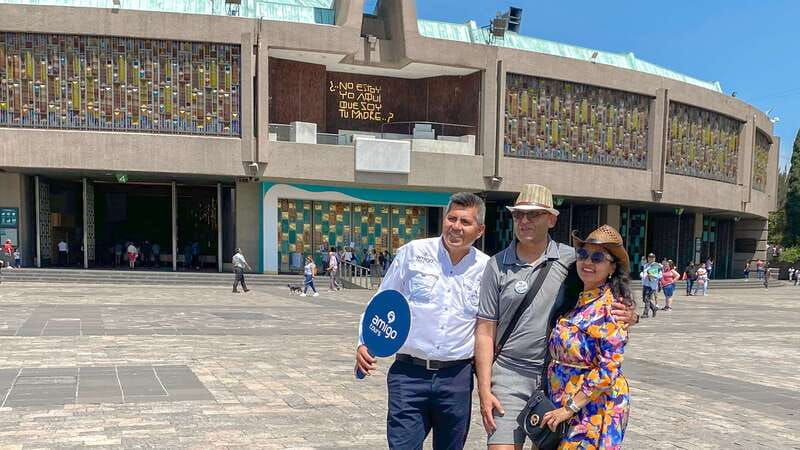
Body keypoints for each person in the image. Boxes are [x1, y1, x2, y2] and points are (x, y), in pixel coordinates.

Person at [474, 185, 637, 449]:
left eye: (534, 214)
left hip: (559, 383)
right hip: (510, 374)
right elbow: (484, 330)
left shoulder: (571, 260)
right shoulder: (497, 265)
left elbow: (605, 297)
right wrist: (483, 389)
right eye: (518, 215)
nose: (524, 221)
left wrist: (630, 315)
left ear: (551, 219)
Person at [355, 192, 489, 450]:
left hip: (456, 378)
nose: (456, 227)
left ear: (480, 230)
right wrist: (364, 342)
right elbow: (382, 301)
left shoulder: (486, 268)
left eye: (465, 222)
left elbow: (486, 327)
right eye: (452, 218)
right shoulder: (413, 253)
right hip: (409, 375)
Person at [540, 225, 633, 448]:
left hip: (592, 407)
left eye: (598, 257)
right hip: (563, 400)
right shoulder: (577, 299)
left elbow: (608, 370)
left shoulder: (612, 308)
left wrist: (569, 408)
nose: (588, 262)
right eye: (583, 255)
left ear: (612, 267)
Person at [639, 253, 661, 317]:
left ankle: (645, 313)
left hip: (651, 285)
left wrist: (653, 275)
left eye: (652, 257)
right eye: (649, 257)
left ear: (654, 258)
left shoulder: (657, 265)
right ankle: (653, 308)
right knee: (644, 299)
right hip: (645, 284)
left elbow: (660, 275)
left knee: (646, 298)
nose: (651, 258)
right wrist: (642, 275)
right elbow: (644, 273)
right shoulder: (645, 265)